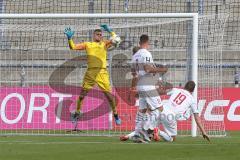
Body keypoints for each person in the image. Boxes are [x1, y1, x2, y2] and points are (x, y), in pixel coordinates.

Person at [64, 24, 121, 125]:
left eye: (101, 34)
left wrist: (109, 30)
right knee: (82, 95)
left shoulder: (105, 44)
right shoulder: (88, 44)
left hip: (102, 72)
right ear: (93, 35)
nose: (100, 36)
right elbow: (73, 47)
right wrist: (69, 38)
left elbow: (117, 39)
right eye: (98, 34)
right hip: (90, 72)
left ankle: (115, 114)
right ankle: (77, 114)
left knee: (109, 96)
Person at [130, 34, 168, 140]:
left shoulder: (134, 56)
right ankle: (148, 130)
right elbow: (147, 69)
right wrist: (163, 70)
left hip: (140, 86)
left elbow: (134, 74)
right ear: (147, 42)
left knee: (142, 110)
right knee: (159, 108)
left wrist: (133, 88)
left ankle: (137, 133)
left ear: (139, 42)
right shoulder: (146, 53)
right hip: (148, 85)